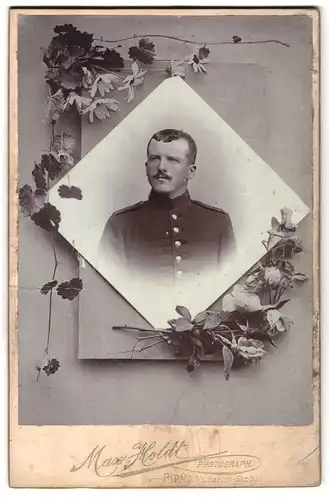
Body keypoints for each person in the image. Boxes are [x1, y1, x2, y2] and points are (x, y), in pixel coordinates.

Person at [98, 129, 236, 284]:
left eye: (172, 160)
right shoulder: (120, 224)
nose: (161, 167)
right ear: (146, 166)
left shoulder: (218, 222)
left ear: (191, 171)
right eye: (155, 159)